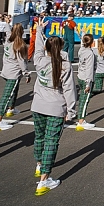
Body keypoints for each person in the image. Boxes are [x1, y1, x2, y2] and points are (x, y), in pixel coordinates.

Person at [31, 18, 77, 195]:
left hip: (38, 105)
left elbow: (37, 47)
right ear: (62, 48)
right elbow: (69, 90)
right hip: (55, 108)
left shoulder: (40, 61)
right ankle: (44, 179)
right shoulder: (65, 65)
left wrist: (39, 30)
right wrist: (71, 111)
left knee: (39, 137)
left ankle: (39, 164)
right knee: (51, 142)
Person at [0, 23, 30, 131]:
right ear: (22, 32)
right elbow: (22, 62)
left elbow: (8, 31)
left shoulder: (8, 40)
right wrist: (26, 73)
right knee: (6, 96)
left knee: (14, 90)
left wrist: (8, 23)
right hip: (13, 73)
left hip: (6, 71)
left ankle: (11, 109)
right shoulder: (20, 45)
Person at [75, 34, 97, 131]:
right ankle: (81, 121)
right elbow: (89, 69)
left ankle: (80, 116)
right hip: (86, 78)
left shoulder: (82, 50)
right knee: (85, 100)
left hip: (80, 76)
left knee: (82, 99)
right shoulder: (90, 54)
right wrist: (88, 83)